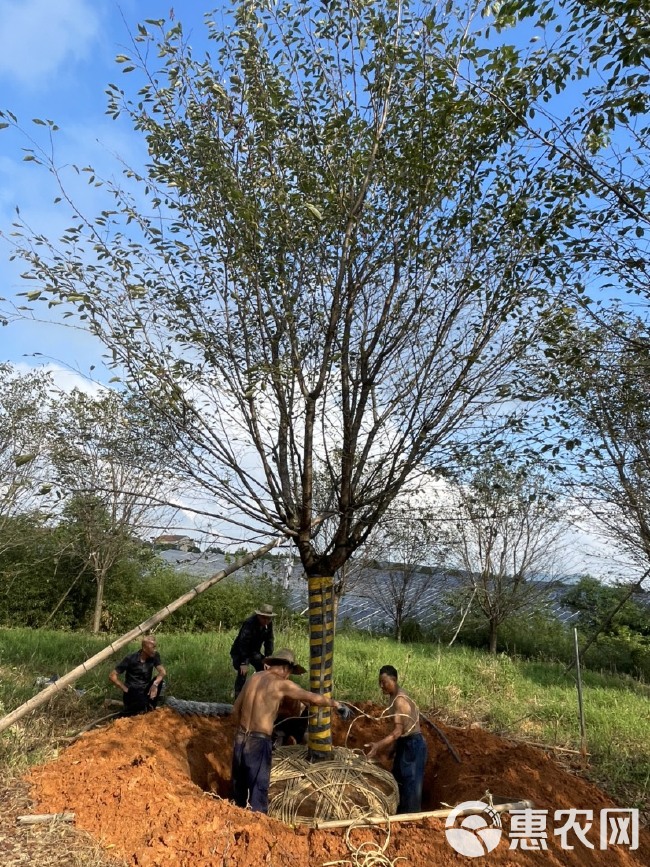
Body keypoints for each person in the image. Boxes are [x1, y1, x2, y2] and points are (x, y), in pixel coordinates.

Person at [231, 647, 346, 813]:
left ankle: (233, 819)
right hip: (258, 742)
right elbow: (312, 698)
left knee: (238, 790)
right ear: (286, 668)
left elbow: (235, 710)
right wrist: (336, 704)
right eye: (290, 672)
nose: (289, 675)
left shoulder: (253, 678)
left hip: (241, 739)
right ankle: (257, 828)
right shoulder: (281, 684)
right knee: (258, 791)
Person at [365, 665, 427, 813]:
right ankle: (399, 815)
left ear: (394, 679)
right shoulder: (393, 697)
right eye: (380, 682)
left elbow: (398, 731)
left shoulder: (400, 700)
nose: (381, 686)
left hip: (413, 745)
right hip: (405, 743)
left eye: (384, 682)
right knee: (398, 779)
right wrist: (392, 749)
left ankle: (411, 820)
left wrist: (378, 746)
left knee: (411, 785)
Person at [109, 635, 166, 717]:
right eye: (152, 648)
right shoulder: (130, 659)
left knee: (160, 682)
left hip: (145, 690)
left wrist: (155, 684)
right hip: (132, 691)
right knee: (140, 708)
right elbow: (112, 675)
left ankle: (150, 708)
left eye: (155, 647)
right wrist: (125, 689)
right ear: (144, 648)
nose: (154, 650)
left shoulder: (154, 656)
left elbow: (162, 672)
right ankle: (135, 710)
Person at [230, 603, 276, 698]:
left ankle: (259, 695)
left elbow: (269, 641)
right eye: (264, 618)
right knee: (242, 672)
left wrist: (268, 657)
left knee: (265, 668)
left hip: (254, 652)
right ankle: (238, 697)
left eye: (268, 618)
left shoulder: (269, 624)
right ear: (258, 615)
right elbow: (243, 643)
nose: (266, 620)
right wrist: (244, 663)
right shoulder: (249, 623)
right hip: (240, 651)